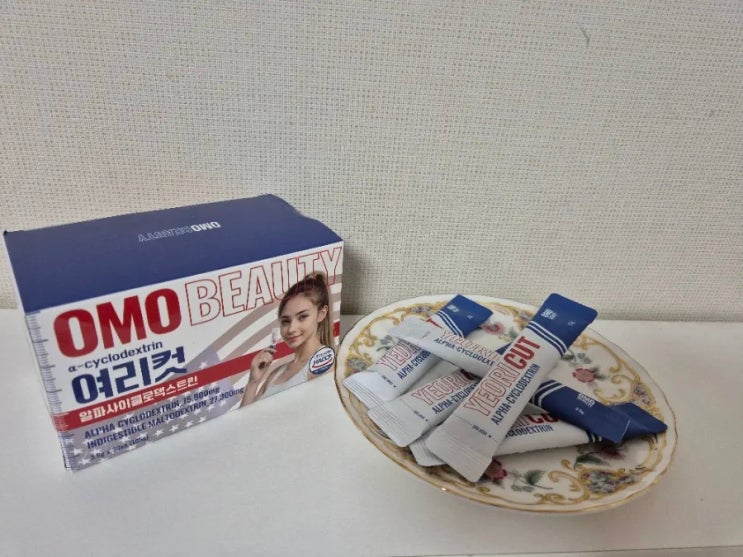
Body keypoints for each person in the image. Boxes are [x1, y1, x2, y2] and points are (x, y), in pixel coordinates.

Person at [241, 272, 334, 405]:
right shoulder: (276, 374)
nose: (291, 329)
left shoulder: (324, 365)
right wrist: (253, 382)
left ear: (321, 314)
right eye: (285, 321)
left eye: (302, 317)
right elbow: (245, 418)